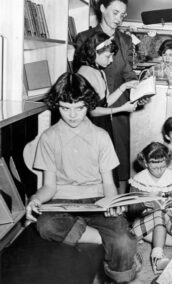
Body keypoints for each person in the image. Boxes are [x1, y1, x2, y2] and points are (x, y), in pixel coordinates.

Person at [25, 72, 140, 283]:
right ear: (56, 105)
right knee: (45, 225)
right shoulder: (49, 137)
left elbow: (109, 184)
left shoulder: (100, 137)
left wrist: (112, 203)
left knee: (123, 243)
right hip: (62, 204)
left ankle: (118, 273)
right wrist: (35, 199)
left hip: (98, 202)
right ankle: (103, 238)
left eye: (79, 108)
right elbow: (49, 187)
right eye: (65, 108)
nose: (72, 115)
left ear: (88, 104)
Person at [74, 0, 137, 193]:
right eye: (115, 13)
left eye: (123, 15)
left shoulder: (125, 40)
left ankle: (119, 205)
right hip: (92, 105)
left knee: (120, 158)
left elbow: (129, 72)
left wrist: (138, 90)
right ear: (102, 8)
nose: (118, 19)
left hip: (118, 103)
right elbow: (78, 80)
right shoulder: (84, 37)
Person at [128, 142, 172, 274]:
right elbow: (130, 212)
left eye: (163, 166)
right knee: (159, 213)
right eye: (155, 166)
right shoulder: (138, 180)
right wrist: (142, 205)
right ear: (146, 163)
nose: (160, 170)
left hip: (169, 221)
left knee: (165, 215)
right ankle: (157, 257)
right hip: (144, 223)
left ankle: (159, 251)